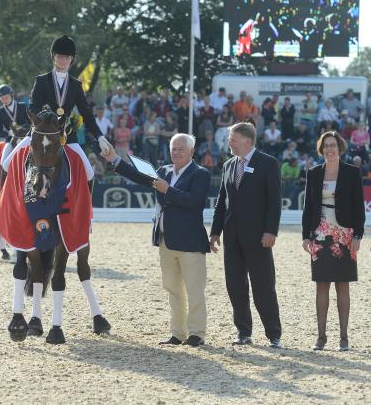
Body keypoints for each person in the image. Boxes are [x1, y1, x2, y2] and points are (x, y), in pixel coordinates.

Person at [102, 133, 211, 347]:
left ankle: (197, 333)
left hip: (190, 241)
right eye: (173, 148)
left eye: (180, 148)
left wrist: (168, 190)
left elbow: (194, 203)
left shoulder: (201, 174)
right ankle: (177, 333)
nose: (176, 152)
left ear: (191, 151)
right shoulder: (164, 171)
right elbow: (139, 176)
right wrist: (115, 159)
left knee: (194, 290)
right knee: (172, 289)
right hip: (165, 240)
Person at [210, 122, 282, 348]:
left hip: (259, 237)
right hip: (232, 238)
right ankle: (243, 332)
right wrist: (215, 231)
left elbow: (274, 201)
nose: (229, 143)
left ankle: (273, 334)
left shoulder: (268, 163)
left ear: (246, 140)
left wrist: (271, 230)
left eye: (233, 139)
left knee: (263, 286)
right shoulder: (229, 165)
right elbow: (222, 201)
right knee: (235, 286)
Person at [302, 131, 365, 352]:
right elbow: (308, 207)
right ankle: (321, 337)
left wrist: (357, 235)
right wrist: (305, 235)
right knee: (321, 284)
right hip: (320, 233)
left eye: (333, 145)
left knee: (343, 285)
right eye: (326, 145)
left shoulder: (351, 172)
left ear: (340, 148)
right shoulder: (313, 172)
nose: (330, 149)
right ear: (321, 149)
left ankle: (344, 338)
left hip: (344, 233)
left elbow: (359, 207)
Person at [27, 34, 112, 182]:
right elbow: (33, 108)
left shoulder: (75, 85)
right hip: (42, 134)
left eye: (67, 57)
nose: (63, 60)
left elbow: (86, 113)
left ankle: (84, 205)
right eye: (60, 56)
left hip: (66, 135)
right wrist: (42, 122)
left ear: (71, 59)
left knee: (89, 174)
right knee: (7, 163)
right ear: (53, 57)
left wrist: (100, 136)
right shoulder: (41, 81)